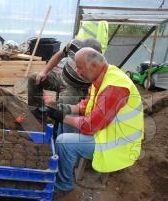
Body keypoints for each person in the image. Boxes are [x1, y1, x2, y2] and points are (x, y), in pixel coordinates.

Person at [54, 47, 144, 194]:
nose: (77, 71)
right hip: (107, 131)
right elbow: (87, 104)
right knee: (66, 125)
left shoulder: (114, 87)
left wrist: (63, 117)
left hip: (116, 144)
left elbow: (90, 126)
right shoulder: (103, 76)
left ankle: (64, 185)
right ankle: (67, 164)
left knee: (63, 142)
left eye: (80, 67)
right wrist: (67, 109)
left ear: (94, 66)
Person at [28, 38, 102, 133]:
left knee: (58, 107)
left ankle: (52, 129)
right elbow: (59, 55)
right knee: (34, 78)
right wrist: (44, 71)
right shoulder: (73, 45)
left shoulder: (99, 65)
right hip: (61, 78)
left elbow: (95, 90)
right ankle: (35, 114)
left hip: (75, 89)